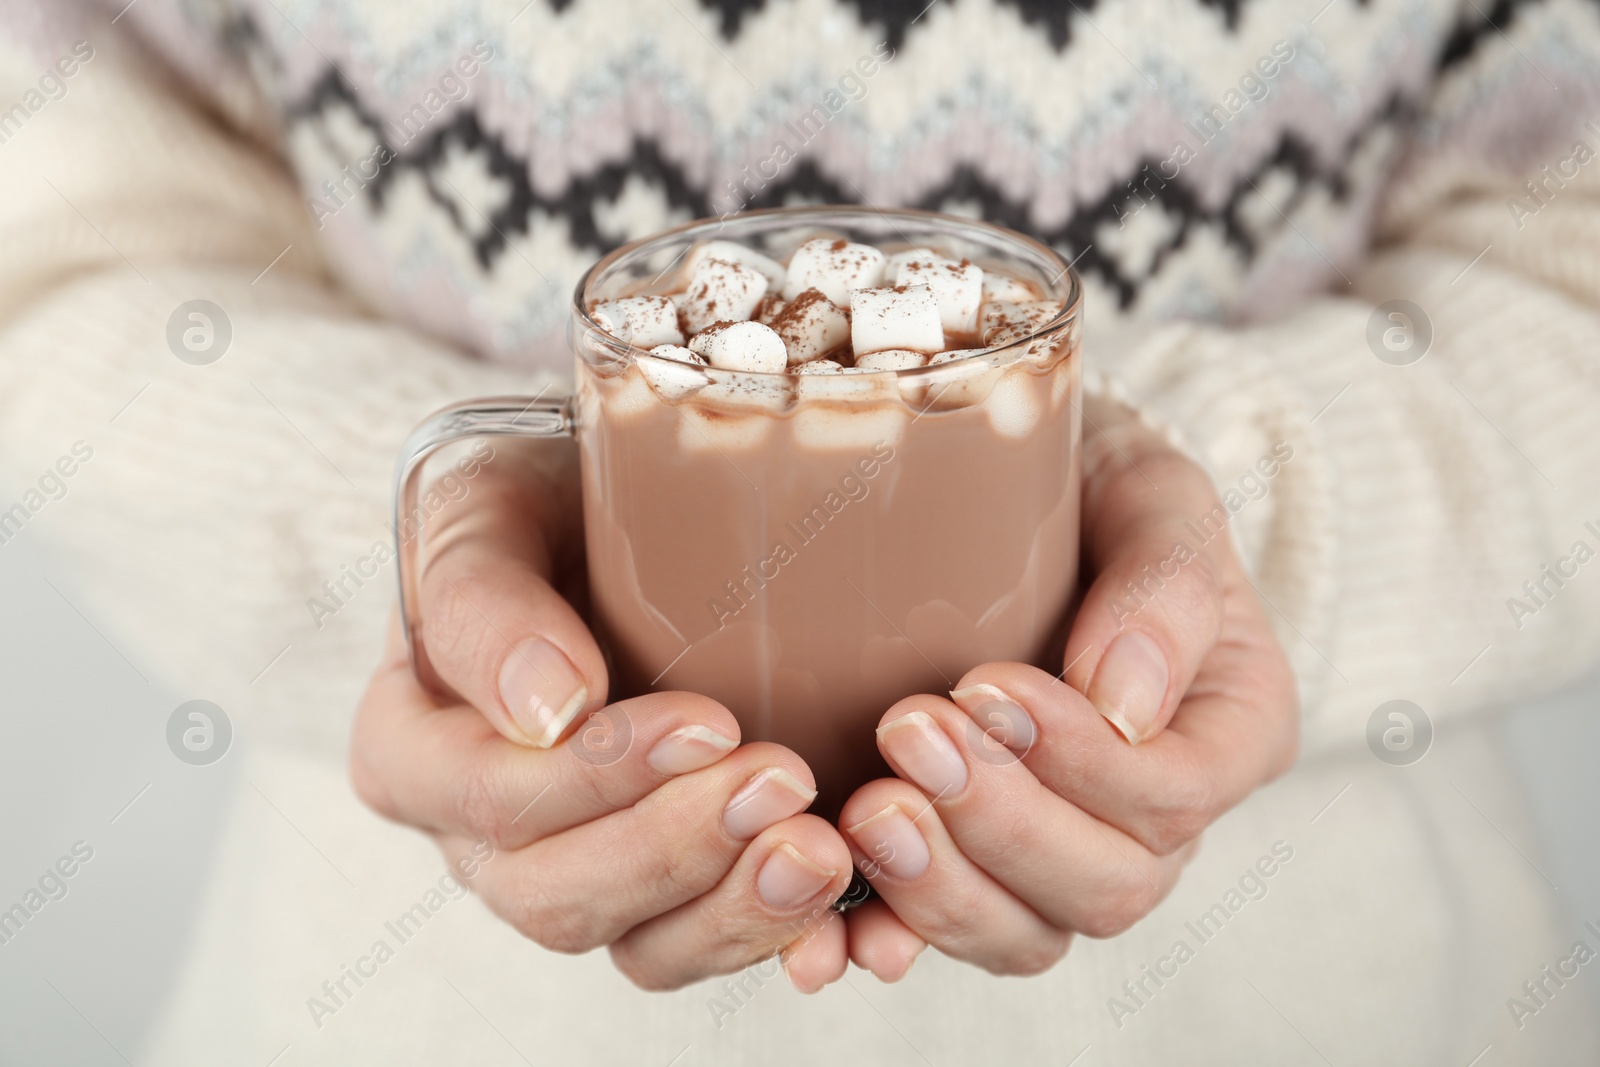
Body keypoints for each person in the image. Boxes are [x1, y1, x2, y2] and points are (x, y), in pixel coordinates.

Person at [1, 0, 1596, 1062]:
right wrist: (445, 574)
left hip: (1332, 996)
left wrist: (1216, 523)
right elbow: (54, 227)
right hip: (414, 998)